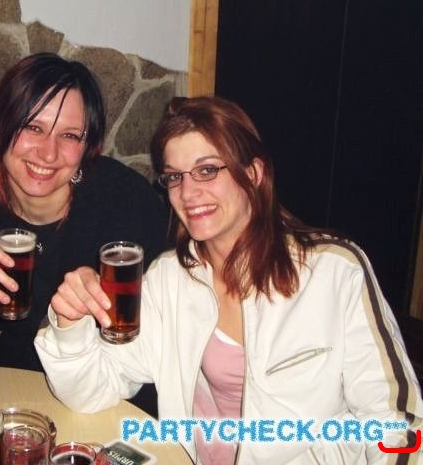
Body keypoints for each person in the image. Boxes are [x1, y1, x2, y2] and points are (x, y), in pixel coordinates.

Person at [35, 96, 423, 464]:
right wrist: (69, 323)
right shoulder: (170, 279)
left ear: (253, 174)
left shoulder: (333, 272)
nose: (188, 192)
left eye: (207, 170)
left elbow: (397, 421)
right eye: (175, 177)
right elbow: (93, 391)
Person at [0, 53, 169, 415]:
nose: (48, 153)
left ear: (88, 147)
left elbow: (152, 350)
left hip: (116, 394)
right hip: (20, 380)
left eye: (69, 135)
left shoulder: (125, 201)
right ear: (0, 127)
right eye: (33, 127)